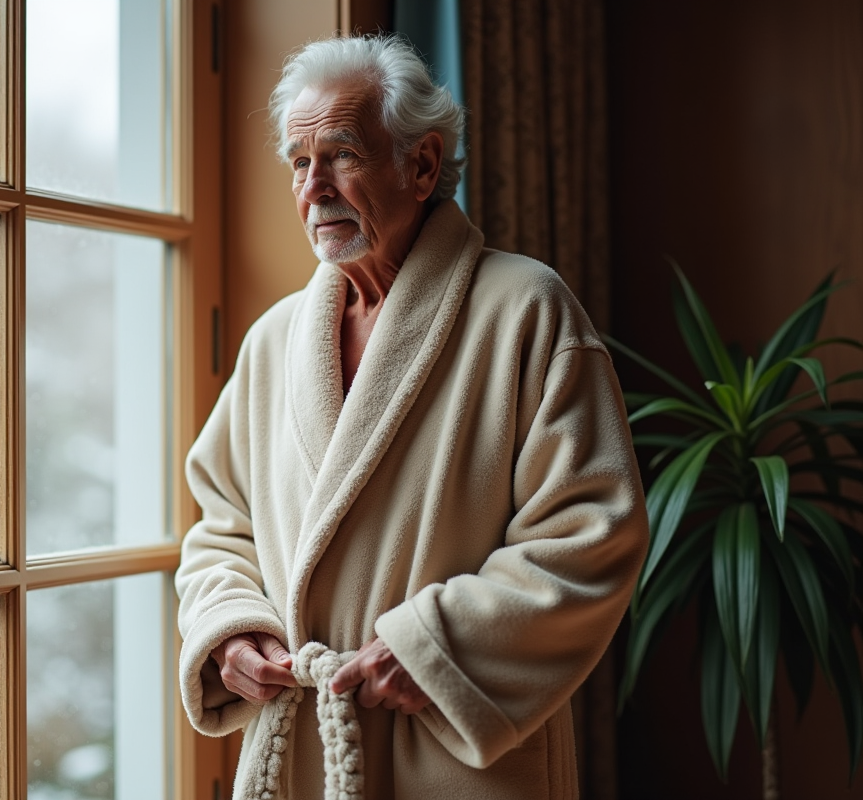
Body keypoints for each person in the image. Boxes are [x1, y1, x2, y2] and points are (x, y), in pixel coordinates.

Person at [175, 33, 648, 800]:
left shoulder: (526, 310)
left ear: (422, 165)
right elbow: (220, 525)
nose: (314, 187)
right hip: (304, 746)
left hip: (454, 750)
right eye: (299, 161)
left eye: (341, 155)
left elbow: (592, 533)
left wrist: (432, 647)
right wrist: (230, 625)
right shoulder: (273, 341)